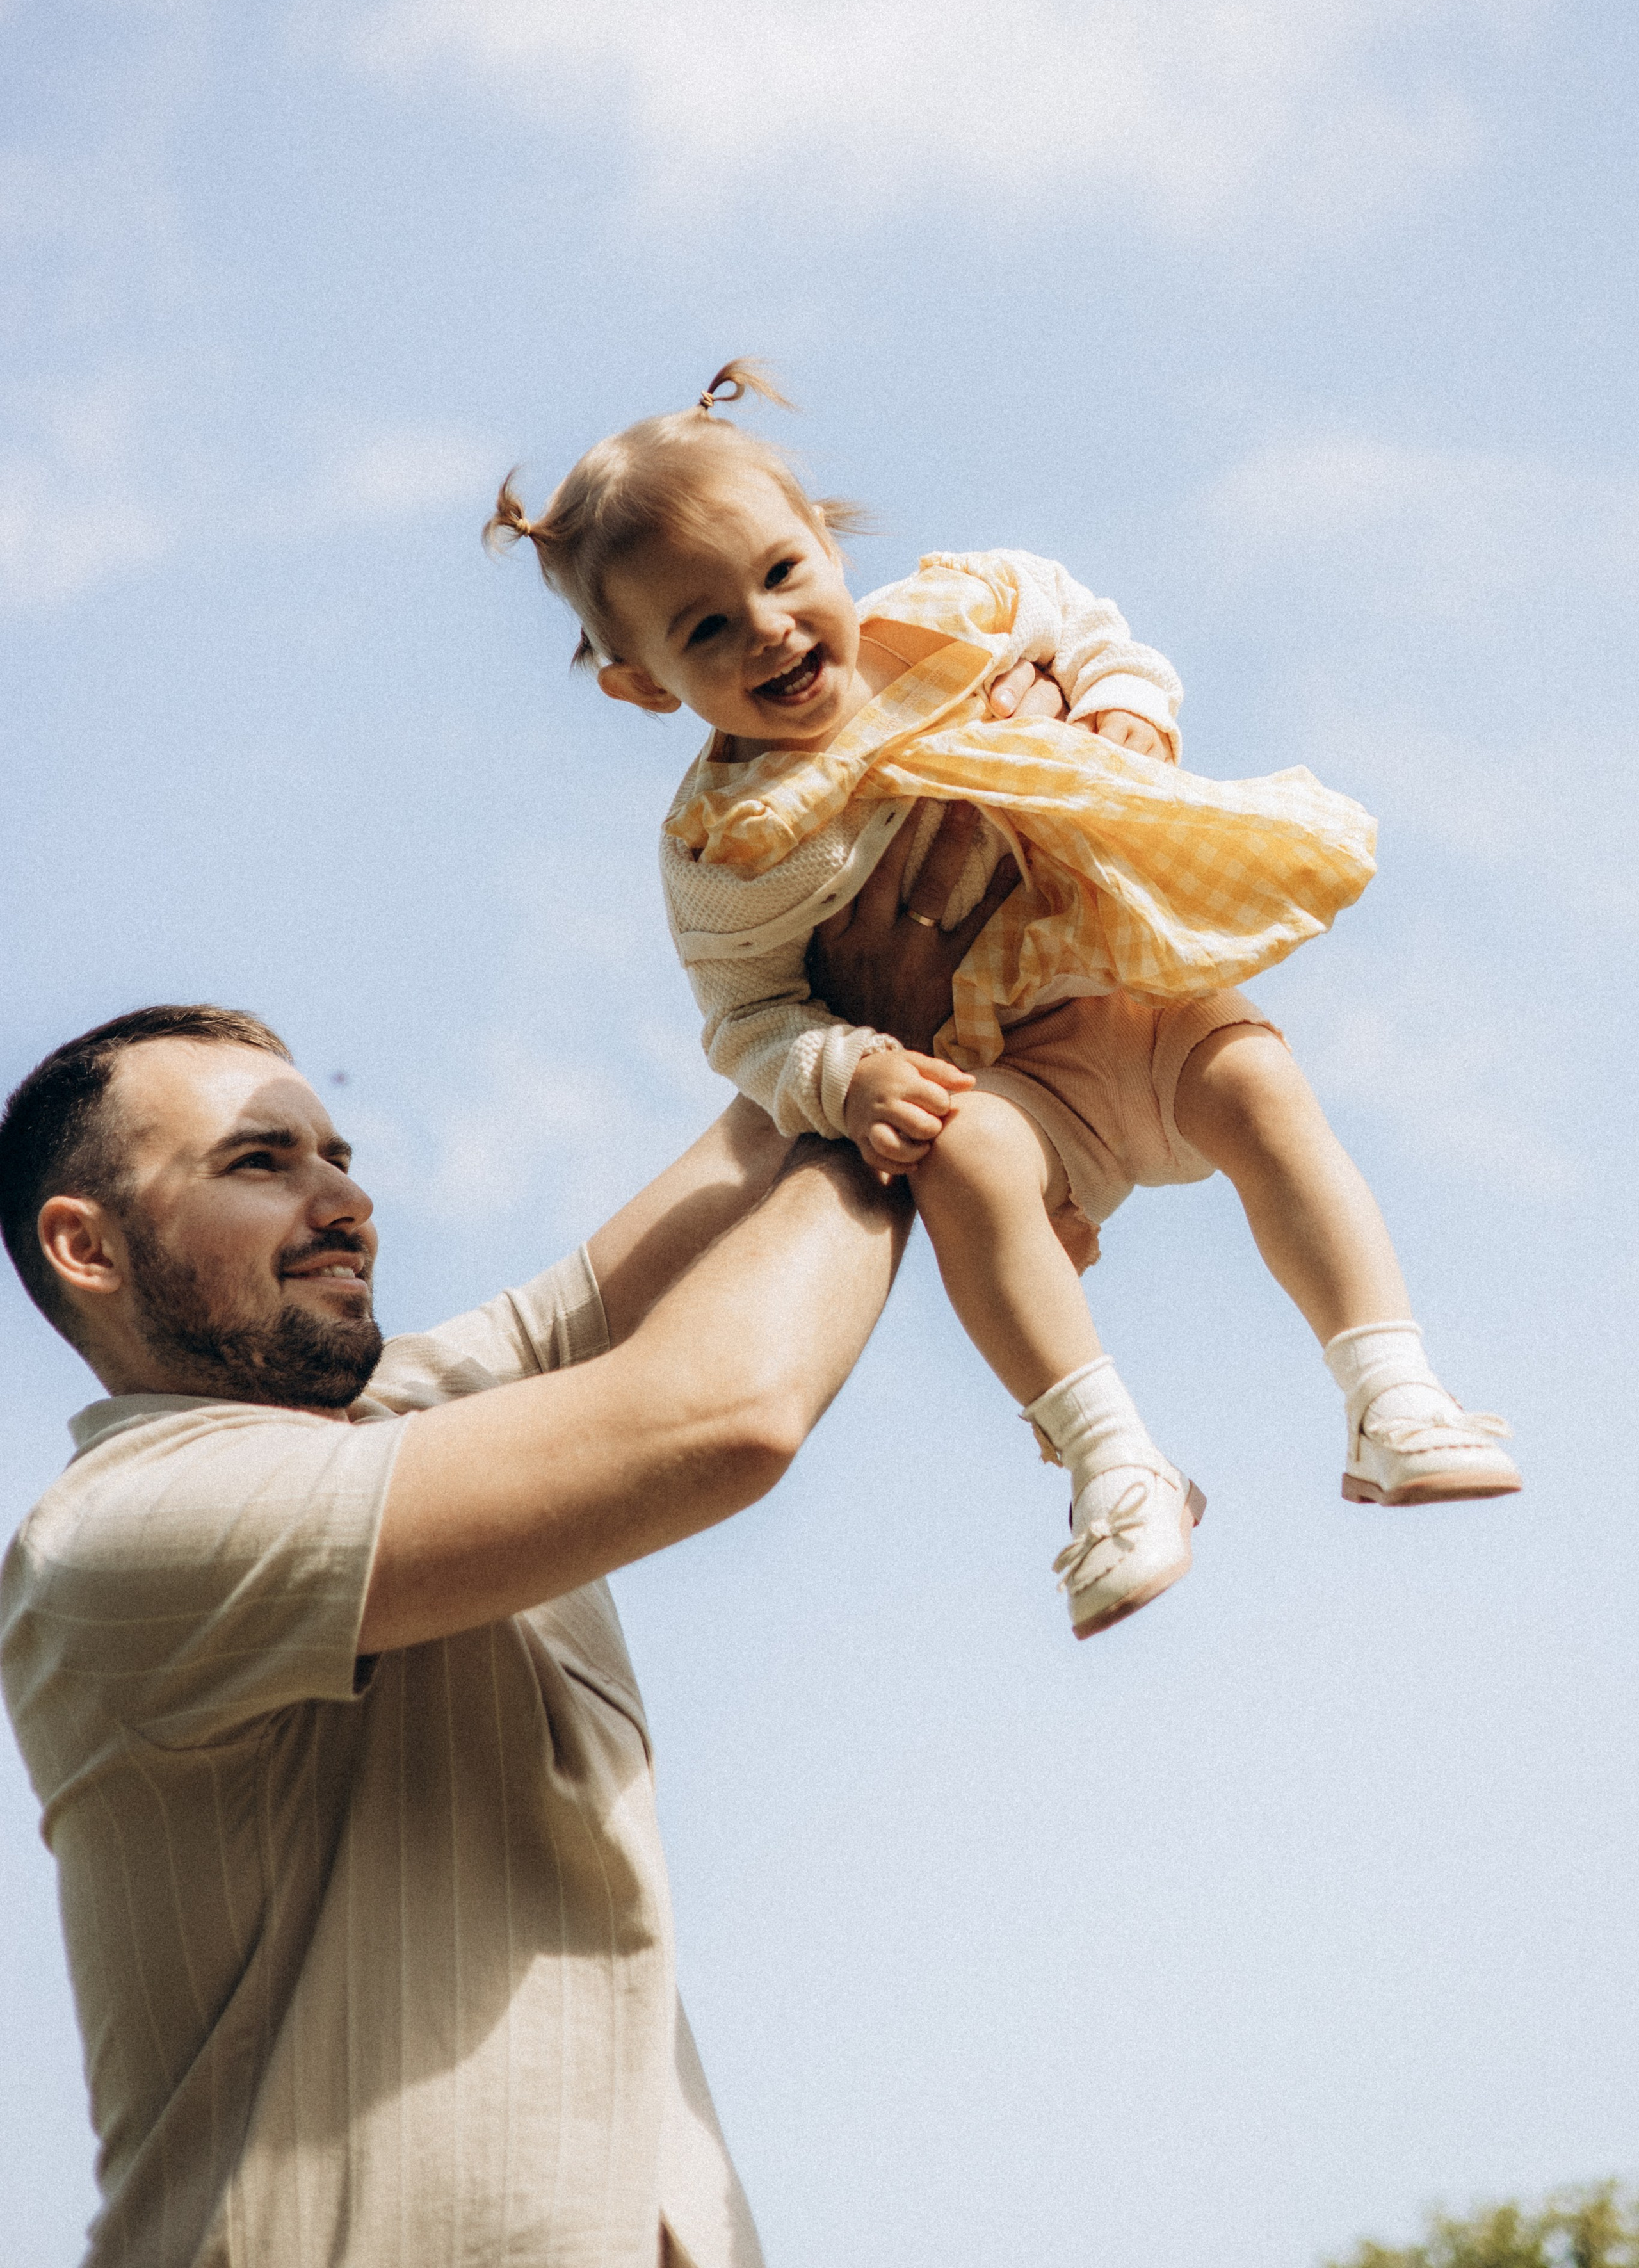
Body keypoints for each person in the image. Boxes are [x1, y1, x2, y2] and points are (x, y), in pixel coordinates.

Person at [0, 942, 1003, 2268]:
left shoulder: (400, 1412)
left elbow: (711, 1188)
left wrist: (879, 1000)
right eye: (261, 1162)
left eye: (338, 1157)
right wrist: (902, 1121)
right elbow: (723, 1410)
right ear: (88, 1246)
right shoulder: (122, 1530)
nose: (344, 1200)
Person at [485, 360, 1520, 1644]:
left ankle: (1388, 1390)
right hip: (1011, 1080)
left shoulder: (956, 620)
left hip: (1128, 991)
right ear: (642, 685)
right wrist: (846, 1074)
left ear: (825, 543)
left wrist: (1121, 706)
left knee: (1258, 1082)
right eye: (701, 631)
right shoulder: (735, 846)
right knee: (956, 1156)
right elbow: (745, 1021)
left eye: (781, 573)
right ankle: (1112, 1466)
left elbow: (1086, 624)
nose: (764, 627)